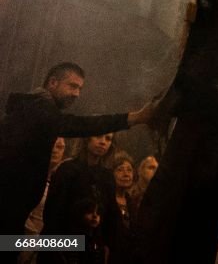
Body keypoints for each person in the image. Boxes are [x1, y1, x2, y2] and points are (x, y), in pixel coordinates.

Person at [0, 62, 153, 262]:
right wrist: (133, 118)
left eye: (80, 89)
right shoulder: (39, 111)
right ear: (52, 83)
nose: (77, 94)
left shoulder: (105, 177)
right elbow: (53, 222)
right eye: (72, 86)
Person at [41, 134, 118, 263]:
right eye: (98, 136)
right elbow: (53, 213)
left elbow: (111, 216)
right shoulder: (67, 170)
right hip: (64, 246)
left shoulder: (107, 176)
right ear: (87, 138)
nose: (103, 142)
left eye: (108, 139)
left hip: (92, 249)